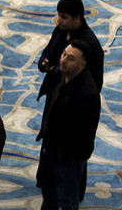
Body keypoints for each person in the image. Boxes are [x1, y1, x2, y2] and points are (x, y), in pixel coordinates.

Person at [36, 40, 101, 210]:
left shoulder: (88, 93)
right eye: (64, 54)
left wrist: (71, 157)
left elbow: (86, 133)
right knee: (48, 193)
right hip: (50, 148)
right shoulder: (59, 74)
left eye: (70, 58)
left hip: (68, 158)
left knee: (67, 199)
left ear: (82, 65)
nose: (63, 60)